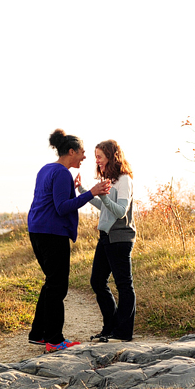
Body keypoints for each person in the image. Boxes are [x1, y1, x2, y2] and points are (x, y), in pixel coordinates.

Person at [27, 129, 111, 352]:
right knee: (57, 286)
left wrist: (80, 191)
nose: (84, 157)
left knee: (51, 283)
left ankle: (39, 334)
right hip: (52, 234)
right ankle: (54, 341)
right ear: (71, 151)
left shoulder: (46, 169)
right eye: (82, 152)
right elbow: (62, 207)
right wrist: (90, 192)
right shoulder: (62, 173)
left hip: (37, 231)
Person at [76, 139, 136, 342]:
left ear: (111, 156)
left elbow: (120, 212)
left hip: (120, 237)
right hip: (106, 237)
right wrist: (84, 191)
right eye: (96, 157)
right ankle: (110, 328)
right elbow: (105, 208)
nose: (97, 161)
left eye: (100, 157)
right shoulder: (109, 180)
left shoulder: (124, 180)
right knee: (97, 281)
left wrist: (103, 196)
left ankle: (123, 332)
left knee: (124, 285)